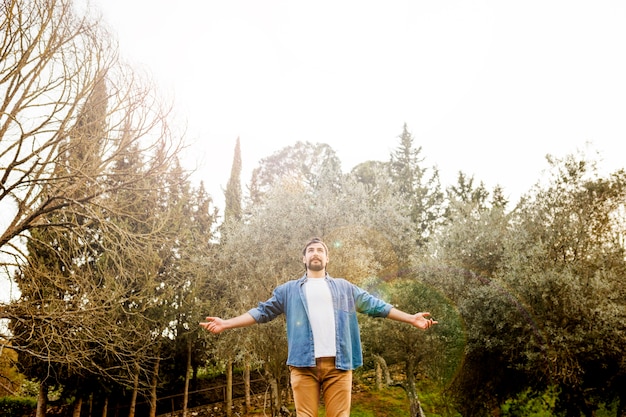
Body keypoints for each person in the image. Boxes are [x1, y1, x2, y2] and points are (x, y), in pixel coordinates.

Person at [200, 237, 437, 417]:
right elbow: (262, 312)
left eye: (320, 250)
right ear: (304, 259)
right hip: (303, 366)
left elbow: (376, 306)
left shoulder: (345, 288)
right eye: (311, 250)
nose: (316, 253)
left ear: (327, 258)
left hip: (339, 366)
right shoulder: (288, 290)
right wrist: (226, 323)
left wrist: (411, 318)